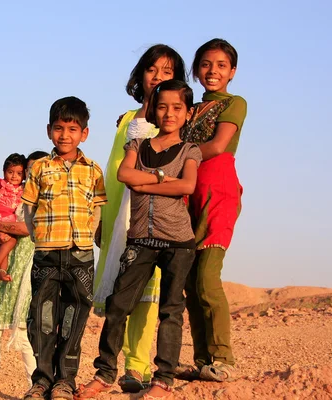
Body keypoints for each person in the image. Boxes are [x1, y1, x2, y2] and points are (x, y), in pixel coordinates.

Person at [76, 80, 202, 400]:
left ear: (188, 113)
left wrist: (147, 182)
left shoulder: (190, 150)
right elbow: (125, 176)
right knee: (119, 304)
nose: (169, 113)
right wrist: (164, 179)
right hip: (140, 239)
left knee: (170, 310)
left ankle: (163, 379)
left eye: (177, 108)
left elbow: (186, 186)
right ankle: (105, 373)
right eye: (162, 107)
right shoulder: (138, 146)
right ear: (153, 111)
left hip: (177, 241)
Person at [93, 44, 188, 392]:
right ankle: (107, 366)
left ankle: (137, 366)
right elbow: (112, 165)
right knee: (121, 292)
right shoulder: (127, 120)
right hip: (117, 210)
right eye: (153, 70)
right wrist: (102, 214)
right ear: (141, 75)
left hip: (150, 216)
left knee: (146, 292)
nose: (159, 77)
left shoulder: (173, 126)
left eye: (168, 72)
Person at [21, 96, 107, 400]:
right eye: (59, 128)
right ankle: (42, 380)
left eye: (73, 129)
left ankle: (65, 381)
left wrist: (86, 237)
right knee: (42, 317)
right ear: (48, 131)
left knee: (75, 316)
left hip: (80, 254)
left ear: (84, 133)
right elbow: (28, 210)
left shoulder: (94, 170)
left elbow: (97, 212)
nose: (65, 135)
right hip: (46, 252)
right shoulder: (40, 168)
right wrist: (40, 237)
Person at [177, 38, 247, 383]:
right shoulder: (189, 108)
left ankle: (224, 358)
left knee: (206, 279)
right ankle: (203, 359)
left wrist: (176, 161)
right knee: (190, 282)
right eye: (205, 64)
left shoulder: (234, 103)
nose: (212, 71)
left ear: (232, 72)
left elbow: (218, 145)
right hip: (187, 196)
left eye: (221, 65)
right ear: (195, 70)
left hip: (217, 192)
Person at [0, 151, 49, 400]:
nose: (31, 173)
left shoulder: (46, 198)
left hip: (28, 268)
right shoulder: (18, 193)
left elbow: (26, 229)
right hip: (5, 265)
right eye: (29, 169)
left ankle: (35, 388)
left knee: (25, 334)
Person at [0, 153, 28, 282]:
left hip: (10, 222)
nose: (14, 176)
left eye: (19, 174)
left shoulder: (23, 189)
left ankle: (1, 271)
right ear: (4, 172)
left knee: (5, 245)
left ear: (24, 175)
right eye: (10, 172)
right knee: (9, 241)